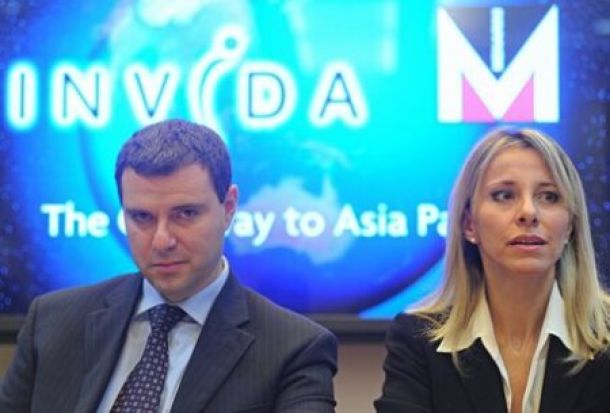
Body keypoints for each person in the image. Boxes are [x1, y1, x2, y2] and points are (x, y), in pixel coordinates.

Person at [0, 119, 338, 413]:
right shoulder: (52, 321)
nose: (161, 240)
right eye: (142, 217)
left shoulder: (295, 349)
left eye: (185, 214)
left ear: (228, 208)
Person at [375, 128, 610, 413]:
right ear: (469, 224)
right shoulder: (416, 339)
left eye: (549, 196)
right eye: (504, 195)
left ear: (570, 225)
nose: (529, 212)